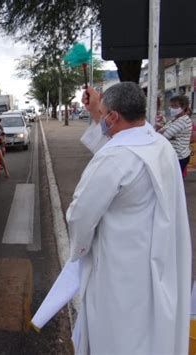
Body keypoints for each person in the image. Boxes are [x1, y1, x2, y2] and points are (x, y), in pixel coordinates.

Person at [68, 82, 191, 354]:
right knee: (152, 333)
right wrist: (97, 111)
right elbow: (124, 147)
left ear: (113, 117)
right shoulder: (158, 144)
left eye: (103, 114)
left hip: (120, 272)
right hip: (158, 262)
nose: (100, 119)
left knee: (118, 337)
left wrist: (78, 251)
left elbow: (80, 216)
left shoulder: (114, 158)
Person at [157, 95, 193, 174]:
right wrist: (167, 133)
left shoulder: (183, 121)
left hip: (179, 157)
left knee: (172, 182)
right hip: (174, 156)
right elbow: (162, 131)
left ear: (183, 107)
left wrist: (165, 132)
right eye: (171, 106)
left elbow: (163, 137)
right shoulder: (174, 119)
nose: (172, 109)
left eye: (175, 106)